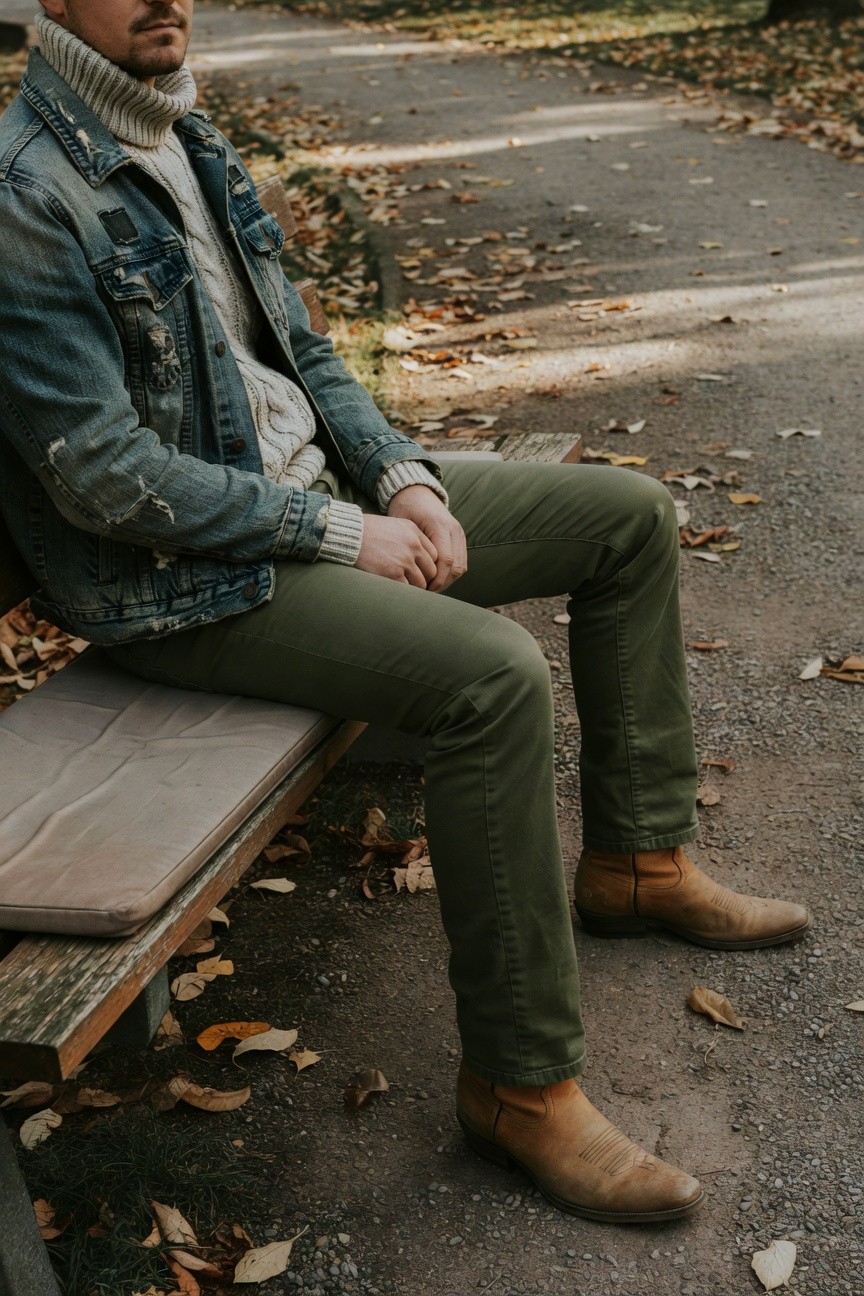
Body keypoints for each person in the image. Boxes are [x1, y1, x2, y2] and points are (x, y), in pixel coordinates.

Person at [0, 0, 810, 1225]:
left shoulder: (184, 133)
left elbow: (304, 352)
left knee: (629, 518)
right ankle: (521, 1089)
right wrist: (340, 532)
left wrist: (400, 479)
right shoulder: (26, 193)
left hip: (311, 501)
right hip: (182, 582)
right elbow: (106, 478)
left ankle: (639, 863)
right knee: (493, 677)